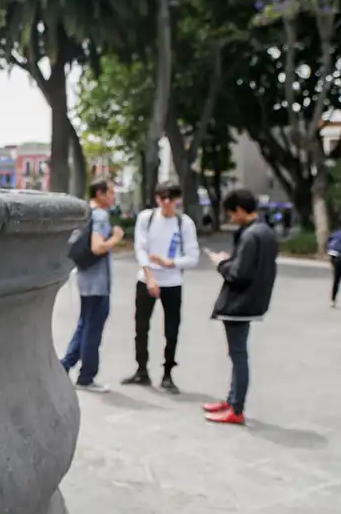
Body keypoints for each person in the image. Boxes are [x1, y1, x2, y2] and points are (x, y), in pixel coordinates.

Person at [202, 189, 278, 425]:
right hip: (254, 301)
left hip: (239, 303)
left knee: (238, 356)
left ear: (242, 210)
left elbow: (238, 274)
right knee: (238, 354)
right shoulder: (265, 231)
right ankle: (232, 399)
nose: (231, 218)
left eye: (232, 213)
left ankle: (236, 408)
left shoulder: (250, 236)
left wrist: (221, 263)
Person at [122, 181, 200, 393]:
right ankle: (141, 370)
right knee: (141, 326)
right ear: (157, 199)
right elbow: (140, 248)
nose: (166, 202)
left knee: (171, 329)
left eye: (171, 198)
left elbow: (193, 256)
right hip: (146, 279)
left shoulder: (184, 223)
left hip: (172, 281)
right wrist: (150, 276)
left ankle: (168, 373)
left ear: (178, 200)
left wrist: (171, 263)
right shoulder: (146, 219)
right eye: (162, 198)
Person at [61, 179, 124, 393]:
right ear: (100, 193)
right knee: (92, 329)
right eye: (111, 192)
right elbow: (97, 247)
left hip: (86, 278)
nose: (113, 197)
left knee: (84, 325)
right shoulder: (99, 215)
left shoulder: (86, 212)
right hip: (97, 282)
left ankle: (65, 365)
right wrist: (115, 238)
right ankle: (87, 376)